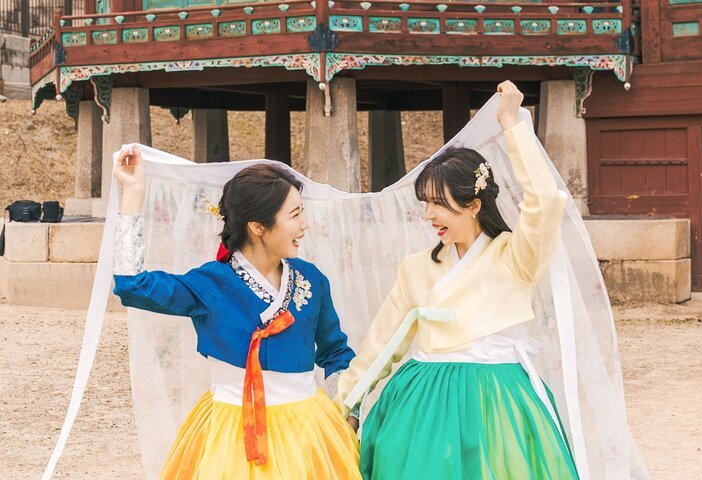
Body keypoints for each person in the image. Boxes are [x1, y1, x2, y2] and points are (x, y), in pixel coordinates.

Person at [335, 81, 579, 479]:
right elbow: (381, 344)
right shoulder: (417, 267)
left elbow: (546, 201)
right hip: (422, 400)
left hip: (499, 398)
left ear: (474, 205)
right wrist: (346, 404)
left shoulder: (516, 256)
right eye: (426, 203)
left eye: (439, 204)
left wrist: (511, 123)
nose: (428, 215)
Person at [112, 153, 361, 479]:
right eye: (295, 215)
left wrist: (349, 410)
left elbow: (335, 352)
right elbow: (132, 286)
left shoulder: (312, 279)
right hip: (230, 430)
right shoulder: (210, 283)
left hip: (308, 428)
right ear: (258, 227)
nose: (305, 225)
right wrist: (133, 193)